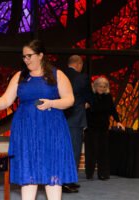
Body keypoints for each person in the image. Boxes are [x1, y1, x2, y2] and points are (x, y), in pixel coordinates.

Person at [0, 39, 77, 200]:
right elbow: (6, 99)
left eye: (29, 56)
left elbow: (70, 100)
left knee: (52, 167)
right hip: (25, 128)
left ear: (41, 55)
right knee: (28, 168)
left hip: (52, 128)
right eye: (24, 57)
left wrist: (52, 103)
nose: (26, 60)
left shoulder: (57, 74)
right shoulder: (20, 77)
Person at [85, 76, 125, 180]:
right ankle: (89, 173)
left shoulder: (108, 96)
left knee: (103, 151)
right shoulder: (90, 96)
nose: (101, 88)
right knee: (91, 151)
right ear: (95, 86)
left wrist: (118, 121)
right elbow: (84, 110)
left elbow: (112, 109)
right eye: (99, 86)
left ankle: (103, 173)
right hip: (91, 127)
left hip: (103, 127)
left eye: (104, 86)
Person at [62, 55, 92, 193]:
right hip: (75, 119)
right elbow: (89, 97)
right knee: (74, 150)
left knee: (60, 150)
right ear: (79, 64)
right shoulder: (82, 78)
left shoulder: (59, 75)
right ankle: (68, 182)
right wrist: (88, 103)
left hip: (59, 118)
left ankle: (59, 180)